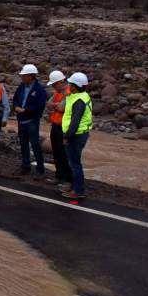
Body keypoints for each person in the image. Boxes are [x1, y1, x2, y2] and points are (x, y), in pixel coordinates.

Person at [61, 72, 93, 200]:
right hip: (78, 134)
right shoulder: (79, 96)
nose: (69, 85)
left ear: (76, 86)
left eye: (71, 84)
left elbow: (75, 122)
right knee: (74, 162)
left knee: (75, 163)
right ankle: (75, 187)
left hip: (76, 135)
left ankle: (78, 190)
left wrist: (67, 137)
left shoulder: (79, 101)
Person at [13, 64, 47, 178]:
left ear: (31, 76)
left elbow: (40, 106)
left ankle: (40, 170)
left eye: (24, 75)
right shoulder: (21, 87)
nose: (22, 77)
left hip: (32, 120)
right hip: (21, 120)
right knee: (23, 144)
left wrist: (25, 110)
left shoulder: (39, 89)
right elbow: (15, 99)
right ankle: (25, 166)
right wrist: (16, 107)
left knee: (35, 144)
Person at [46, 70, 72, 186]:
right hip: (55, 125)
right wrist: (57, 105)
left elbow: (62, 108)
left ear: (61, 82)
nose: (53, 86)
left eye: (54, 84)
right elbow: (48, 105)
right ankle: (59, 176)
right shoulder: (57, 93)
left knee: (64, 153)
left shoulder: (69, 92)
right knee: (56, 152)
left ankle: (67, 179)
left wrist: (55, 106)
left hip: (64, 127)